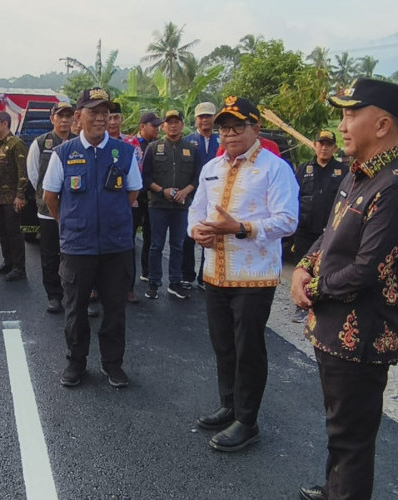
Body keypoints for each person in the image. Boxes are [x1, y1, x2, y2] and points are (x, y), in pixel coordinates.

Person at [292, 78, 398, 500]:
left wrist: (311, 289)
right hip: (334, 329)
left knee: (352, 438)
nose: (342, 125)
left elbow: (366, 270)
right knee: (340, 428)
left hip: (362, 337)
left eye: (352, 114)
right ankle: (336, 489)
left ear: (383, 124)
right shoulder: (359, 174)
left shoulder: (391, 186)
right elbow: (329, 234)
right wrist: (302, 267)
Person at [189, 96, 298, 452]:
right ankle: (230, 404)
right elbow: (196, 211)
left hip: (253, 276)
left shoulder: (274, 168)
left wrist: (240, 227)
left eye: (238, 127)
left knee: (248, 348)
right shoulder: (211, 167)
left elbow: (287, 220)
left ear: (256, 129)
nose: (230, 134)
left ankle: (247, 421)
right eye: (224, 127)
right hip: (214, 273)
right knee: (222, 344)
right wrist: (197, 232)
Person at [42, 87, 142, 388]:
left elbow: (132, 193)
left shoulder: (125, 152)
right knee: (75, 310)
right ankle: (76, 363)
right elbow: (50, 196)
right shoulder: (63, 153)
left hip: (116, 246)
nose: (101, 118)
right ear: (78, 117)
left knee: (114, 311)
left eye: (105, 112)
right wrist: (72, 223)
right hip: (78, 246)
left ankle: (113, 365)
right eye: (94, 112)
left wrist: (110, 220)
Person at [290, 130, 348, 324]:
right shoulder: (304, 169)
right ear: (314, 145)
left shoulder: (343, 172)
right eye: (321, 143)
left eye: (328, 144)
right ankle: (301, 306)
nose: (324, 147)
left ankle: (322, 307)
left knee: (325, 269)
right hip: (304, 229)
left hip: (329, 230)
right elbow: (294, 197)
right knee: (303, 268)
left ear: (335, 148)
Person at [142, 109, 199, 300]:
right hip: (158, 205)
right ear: (164, 126)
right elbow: (145, 177)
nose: (173, 125)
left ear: (183, 124)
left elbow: (197, 178)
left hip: (182, 206)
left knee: (178, 245)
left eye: (176, 121)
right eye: (169, 122)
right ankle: (153, 283)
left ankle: (175, 282)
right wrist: (161, 190)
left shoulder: (191, 148)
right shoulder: (153, 148)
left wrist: (186, 191)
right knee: (156, 246)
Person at [27, 102, 76, 313]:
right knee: (49, 254)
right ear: (52, 119)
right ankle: (54, 295)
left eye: (68, 116)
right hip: (48, 211)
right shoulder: (41, 143)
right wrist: (47, 196)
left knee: (75, 254)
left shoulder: (79, 142)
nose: (64, 120)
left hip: (75, 210)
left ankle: (75, 295)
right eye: (60, 116)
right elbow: (33, 175)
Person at [0, 111, 28, 282]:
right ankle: (8, 262)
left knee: (14, 233)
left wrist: (20, 195)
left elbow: (23, 172)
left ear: (5, 124)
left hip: (11, 198)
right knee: (2, 231)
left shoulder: (16, 144)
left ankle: (19, 267)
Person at [183, 102, 219, 290]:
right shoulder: (188, 141)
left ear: (214, 118)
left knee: (211, 234)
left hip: (216, 196)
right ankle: (187, 275)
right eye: (201, 116)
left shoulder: (221, 141)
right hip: (192, 195)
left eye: (208, 116)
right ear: (196, 119)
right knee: (189, 236)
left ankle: (205, 277)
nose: (204, 119)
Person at [128, 112, 161, 295]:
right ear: (142, 126)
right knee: (130, 238)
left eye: (157, 126)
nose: (157, 129)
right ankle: (128, 282)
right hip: (136, 197)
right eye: (153, 125)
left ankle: (147, 272)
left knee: (150, 236)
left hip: (153, 198)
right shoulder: (132, 144)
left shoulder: (158, 145)